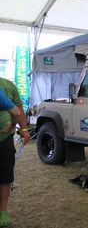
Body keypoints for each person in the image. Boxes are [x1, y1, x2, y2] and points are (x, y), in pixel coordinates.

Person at [0, 77, 30, 227]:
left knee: (5, 176)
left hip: (4, 140)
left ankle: (2, 211)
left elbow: (17, 111)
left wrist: (22, 129)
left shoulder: (7, 86)